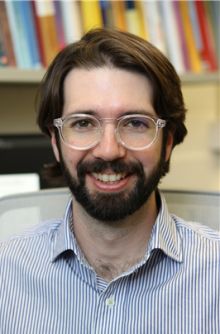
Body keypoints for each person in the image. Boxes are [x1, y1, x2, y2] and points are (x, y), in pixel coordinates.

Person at [0, 28, 219, 334]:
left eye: (135, 123)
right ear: (56, 142)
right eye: (84, 123)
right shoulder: (5, 275)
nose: (108, 150)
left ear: (167, 141)